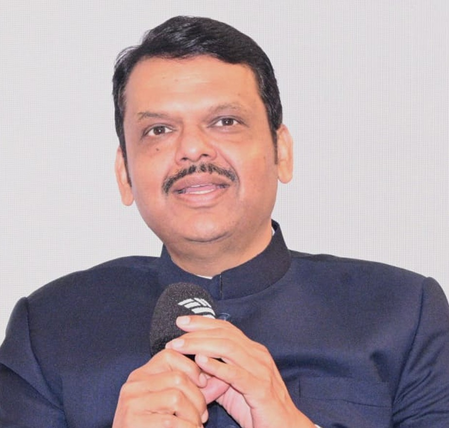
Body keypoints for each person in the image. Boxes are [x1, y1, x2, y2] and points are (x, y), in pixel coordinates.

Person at [1, 15, 448, 428]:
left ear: (282, 152)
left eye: (225, 121)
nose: (192, 149)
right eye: (159, 130)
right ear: (125, 175)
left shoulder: (404, 314)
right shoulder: (49, 328)